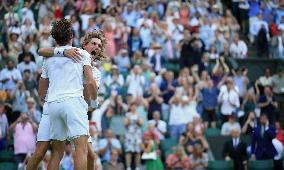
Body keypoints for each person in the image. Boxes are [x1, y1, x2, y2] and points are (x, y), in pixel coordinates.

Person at [27, 29, 107, 170]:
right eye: (93, 43)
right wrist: (62, 52)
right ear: (85, 45)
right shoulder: (72, 53)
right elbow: (41, 50)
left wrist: (91, 103)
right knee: (41, 152)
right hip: (56, 107)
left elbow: (88, 98)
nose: (96, 47)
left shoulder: (96, 73)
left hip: (73, 108)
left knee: (90, 156)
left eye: (99, 46)